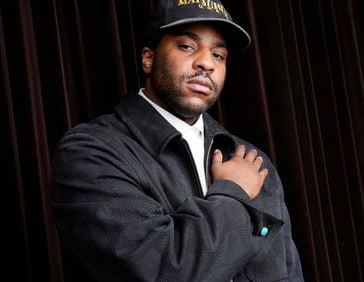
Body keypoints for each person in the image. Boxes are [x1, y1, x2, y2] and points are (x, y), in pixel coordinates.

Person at [51, 0, 304, 281]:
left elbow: (287, 272)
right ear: (148, 58)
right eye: (187, 46)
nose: (206, 63)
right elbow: (164, 270)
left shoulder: (250, 159)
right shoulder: (91, 153)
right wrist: (234, 193)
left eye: (219, 55)